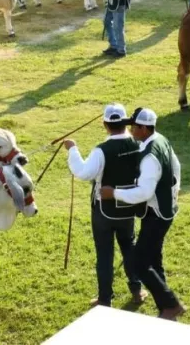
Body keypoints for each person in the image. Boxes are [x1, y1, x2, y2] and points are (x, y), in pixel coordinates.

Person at [100, 108, 185, 321]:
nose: (130, 129)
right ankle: (166, 308)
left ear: (144, 128)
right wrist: (175, 191)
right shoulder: (161, 139)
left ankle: (172, 304)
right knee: (154, 260)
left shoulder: (149, 158)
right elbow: (176, 165)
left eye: (134, 127)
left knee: (139, 262)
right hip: (164, 209)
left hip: (156, 214)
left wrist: (114, 193)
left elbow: (144, 192)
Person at [64, 103, 148, 308]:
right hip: (128, 206)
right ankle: (137, 290)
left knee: (104, 254)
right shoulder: (139, 145)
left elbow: (84, 172)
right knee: (129, 246)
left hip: (104, 211)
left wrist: (73, 149)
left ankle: (105, 299)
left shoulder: (101, 150)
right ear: (126, 123)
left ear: (105, 125)